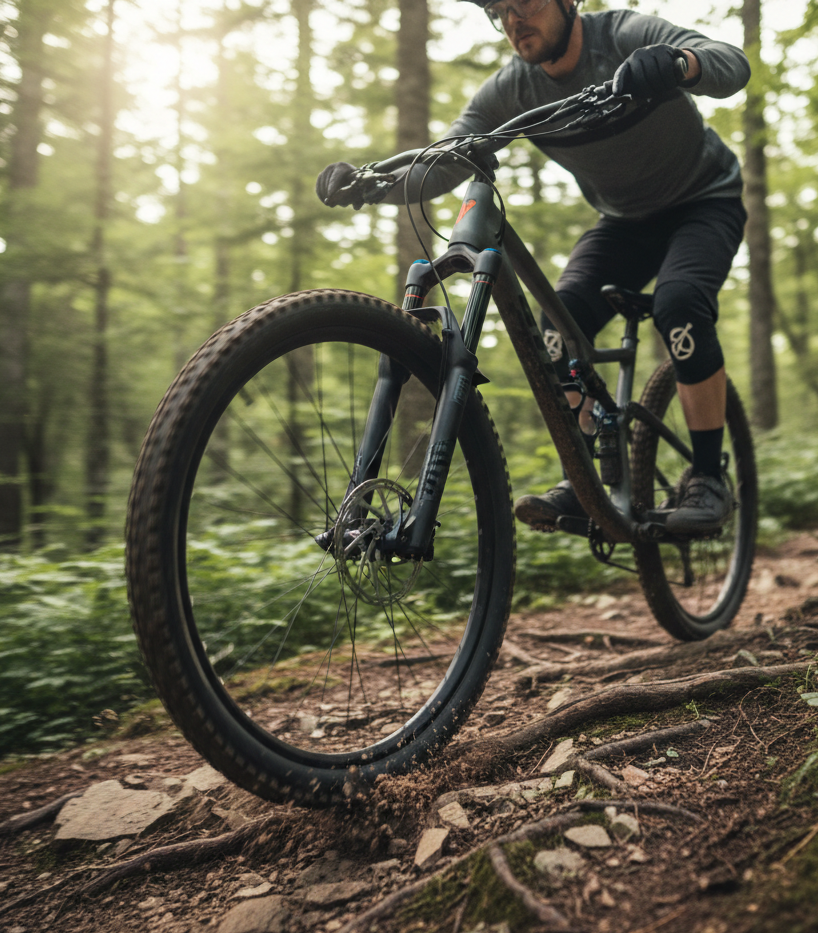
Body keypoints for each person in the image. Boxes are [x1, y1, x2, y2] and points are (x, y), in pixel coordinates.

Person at [316, 0, 750, 536]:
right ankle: (589, 480)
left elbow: (730, 62)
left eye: (525, 1)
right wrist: (371, 186)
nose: (514, 19)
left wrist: (680, 63)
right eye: (500, 11)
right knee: (558, 322)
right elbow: (442, 163)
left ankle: (708, 477)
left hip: (704, 200)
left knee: (679, 303)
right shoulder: (510, 91)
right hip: (623, 223)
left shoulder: (624, 35)